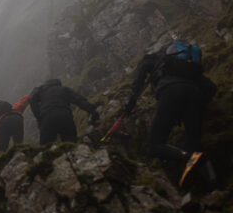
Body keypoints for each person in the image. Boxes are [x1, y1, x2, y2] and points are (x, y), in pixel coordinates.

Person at [123, 40, 217, 188]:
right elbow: (211, 87)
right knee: (194, 144)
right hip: (195, 93)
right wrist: (200, 104)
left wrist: (129, 105)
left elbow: (138, 84)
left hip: (170, 92)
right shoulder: (185, 65)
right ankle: (212, 185)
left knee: (154, 146)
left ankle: (187, 158)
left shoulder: (151, 59)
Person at [27, 79, 100, 144]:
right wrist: (92, 111)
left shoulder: (41, 90)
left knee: (45, 147)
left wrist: (39, 117)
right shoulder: (64, 89)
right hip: (64, 115)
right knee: (70, 144)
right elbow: (79, 100)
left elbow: (31, 99)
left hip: (47, 118)